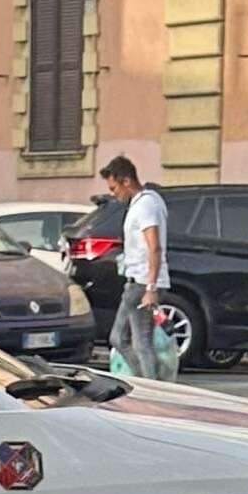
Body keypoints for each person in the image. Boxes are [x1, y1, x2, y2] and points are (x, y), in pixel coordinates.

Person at [98, 154, 176, 381]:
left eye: (114, 188)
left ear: (127, 181)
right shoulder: (147, 201)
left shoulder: (146, 206)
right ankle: (145, 381)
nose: (113, 194)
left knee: (140, 342)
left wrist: (151, 288)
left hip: (143, 282)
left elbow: (154, 247)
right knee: (121, 338)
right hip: (138, 280)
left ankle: (149, 386)